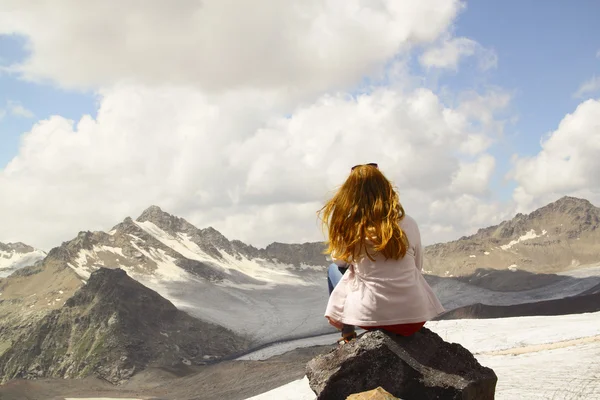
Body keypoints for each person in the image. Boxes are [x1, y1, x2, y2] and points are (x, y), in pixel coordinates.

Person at [318, 163, 444, 344]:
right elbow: (418, 266)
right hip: (414, 319)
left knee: (333, 269)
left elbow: (340, 262)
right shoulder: (408, 222)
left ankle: (347, 333)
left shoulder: (351, 226)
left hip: (371, 319)